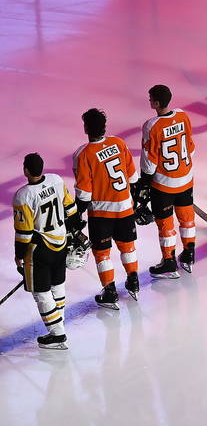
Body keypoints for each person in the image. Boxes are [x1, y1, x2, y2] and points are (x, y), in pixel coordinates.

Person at [13, 153, 82, 349]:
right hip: (60, 243)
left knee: (41, 293)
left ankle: (57, 334)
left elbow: (24, 232)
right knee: (57, 286)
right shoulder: (56, 180)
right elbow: (70, 208)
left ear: (26, 170)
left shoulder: (23, 195)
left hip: (40, 249)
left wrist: (19, 256)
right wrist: (76, 231)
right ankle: (58, 324)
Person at [74, 108, 140, 308]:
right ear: (104, 126)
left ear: (86, 128)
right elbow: (133, 178)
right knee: (127, 247)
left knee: (102, 253)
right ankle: (133, 280)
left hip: (101, 213)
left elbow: (84, 193)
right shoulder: (119, 143)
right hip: (125, 207)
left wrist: (76, 214)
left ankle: (110, 291)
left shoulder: (83, 154)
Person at [138, 84, 197, 278]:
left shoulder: (151, 125)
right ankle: (189, 255)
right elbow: (191, 147)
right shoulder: (182, 115)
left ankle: (169, 262)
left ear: (156, 102)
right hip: (186, 179)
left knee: (165, 225)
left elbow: (149, 161)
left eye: (150, 98)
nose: (148, 101)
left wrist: (144, 183)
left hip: (164, 184)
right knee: (187, 219)